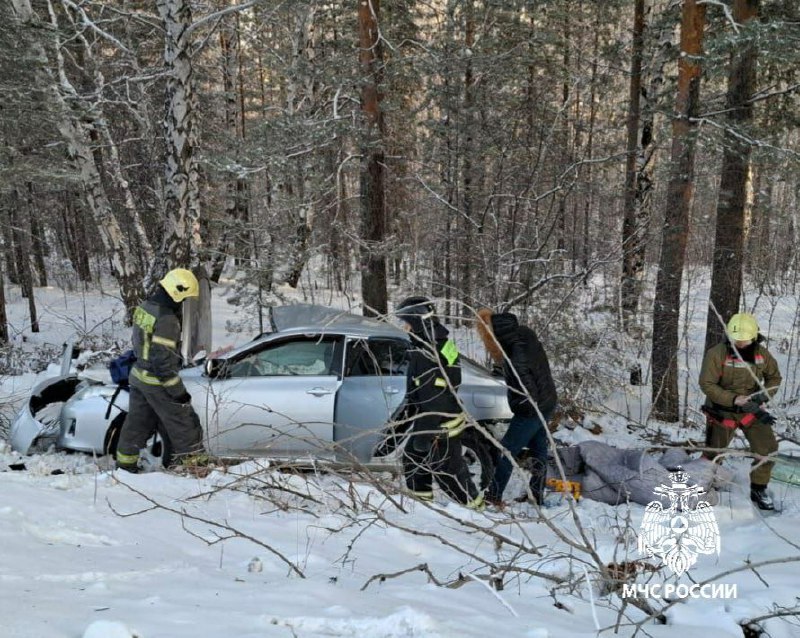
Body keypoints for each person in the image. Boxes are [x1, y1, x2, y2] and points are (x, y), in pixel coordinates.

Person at [396, 296, 483, 510]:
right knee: (413, 462)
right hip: (435, 420)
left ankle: (477, 511)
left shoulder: (428, 352)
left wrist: (424, 436)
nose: (404, 327)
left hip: (440, 425)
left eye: (406, 322)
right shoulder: (439, 343)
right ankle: (423, 508)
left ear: (417, 321)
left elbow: (434, 398)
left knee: (449, 474)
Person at [116, 268, 205, 473]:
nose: (184, 303)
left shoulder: (145, 307)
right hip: (157, 382)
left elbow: (146, 342)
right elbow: (163, 361)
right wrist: (178, 392)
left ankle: (125, 466)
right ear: (177, 292)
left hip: (139, 376)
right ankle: (195, 469)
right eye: (184, 298)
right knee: (185, 424)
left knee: (136, 425)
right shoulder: (167, 319)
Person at [699, 313, 782, 510]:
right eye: (736, 339)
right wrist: (733, 399)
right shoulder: (716, 354)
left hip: (750, 411)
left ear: (754, 337)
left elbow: (774, 378)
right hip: (722, 410)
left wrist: (760, 397)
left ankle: (759, 489)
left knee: (767, 449)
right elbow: (707, 384)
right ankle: (704, 484)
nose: (740, 343)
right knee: (714, 452)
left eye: (744, 340)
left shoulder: (762, 355)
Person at [477, 308, 557, 507]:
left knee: (507, 450)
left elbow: (525, 385)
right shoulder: (524, 335)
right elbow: (530, 371)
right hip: (548, 400)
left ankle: (494, 496)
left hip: (533, 407)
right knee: (538, 449)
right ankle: (536, 495)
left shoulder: (514, 353)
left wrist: (524, 408)